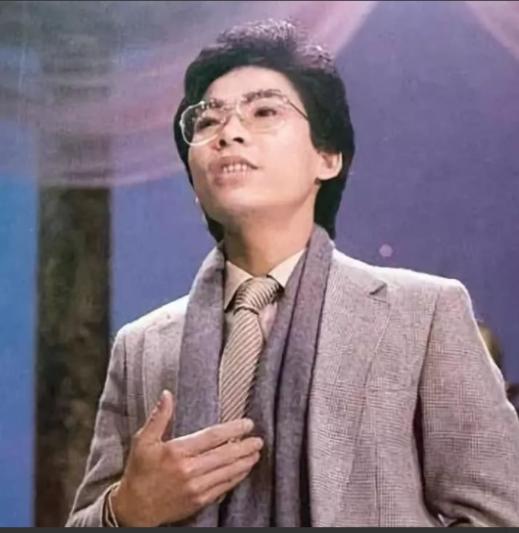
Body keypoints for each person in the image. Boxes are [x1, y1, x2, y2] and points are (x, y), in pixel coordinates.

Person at [66, 19, 519, 527]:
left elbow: (499, 514)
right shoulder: (141, 346)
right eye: (207, 121)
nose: (229, 133)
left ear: (327, 157)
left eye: (264, 111)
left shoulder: (424, 314)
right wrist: (124, 510)